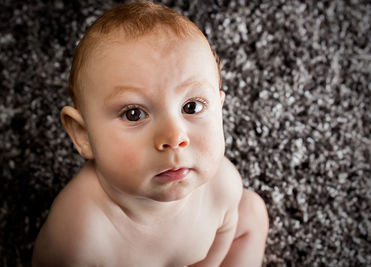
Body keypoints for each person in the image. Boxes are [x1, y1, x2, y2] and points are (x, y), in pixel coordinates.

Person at [32, 1, 268, 266]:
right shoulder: (77, 237)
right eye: (134, 114)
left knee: (252, 213)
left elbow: (223, 234)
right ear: (83, 134)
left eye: (191, 107)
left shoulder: (222, 185)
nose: (174, 137)